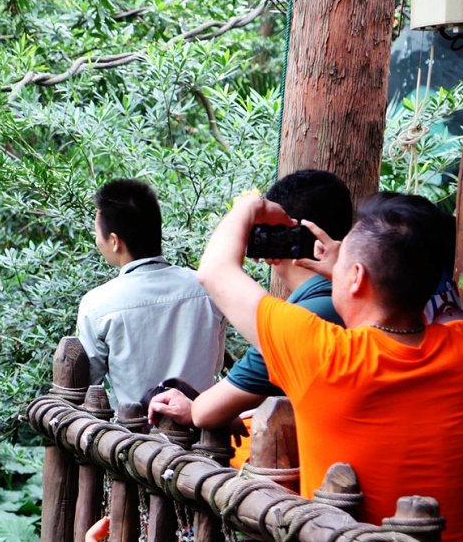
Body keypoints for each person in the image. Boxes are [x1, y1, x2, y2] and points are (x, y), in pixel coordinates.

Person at [194, 189, 463, 542]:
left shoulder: (325, 355)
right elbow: (435, 298)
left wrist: (247, 205)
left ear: (357, 278)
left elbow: (214, 271)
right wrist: (352, 268)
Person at [147, 169, 353, 430]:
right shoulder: (362, 306)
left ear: (271, 245)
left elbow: (205, 412)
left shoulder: (303, 323)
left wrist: (248, 207)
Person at [75, 179, 226, 410]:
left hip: (131, 440)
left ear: (115, 241)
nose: (97, 241)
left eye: (97, 234)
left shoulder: (98, 305)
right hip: (205, 435)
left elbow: (84, 386)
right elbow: (215, 366)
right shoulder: (207, 288)